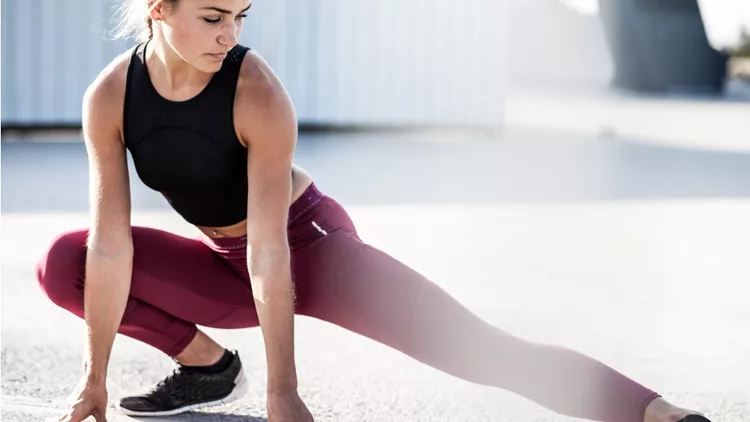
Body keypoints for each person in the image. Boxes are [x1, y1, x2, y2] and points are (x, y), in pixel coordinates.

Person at [35, 1, 713, 422]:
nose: (228, 34)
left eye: (242, 16)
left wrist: (284, 392)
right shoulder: (112, 96)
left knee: (475, 349)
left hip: (310, 248)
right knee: (63, 261)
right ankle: (208, 366)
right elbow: (110, 247)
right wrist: (92, 379)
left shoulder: (257, 91)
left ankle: (656, 413)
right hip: (225, 266)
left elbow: (272, 252)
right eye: (213, 17)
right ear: (159, 9)